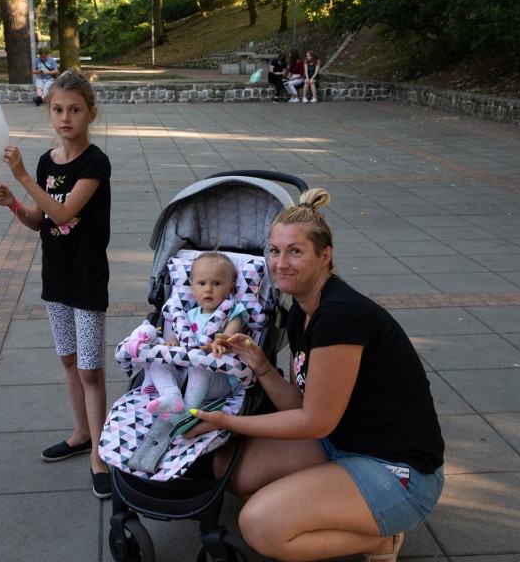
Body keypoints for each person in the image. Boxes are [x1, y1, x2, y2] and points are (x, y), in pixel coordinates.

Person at [190, 188, 445, 562]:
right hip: (342, 441)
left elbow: (314, 421)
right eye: (274, 251)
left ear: (325, 256)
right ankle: (325, 501)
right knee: (231, 469)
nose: (280, 263)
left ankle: (380, 541)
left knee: (259, 526)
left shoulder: (339, 315)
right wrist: (260, 364)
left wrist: (227, 421)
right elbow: (301, 403)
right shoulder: (302, 312)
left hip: (398, 472)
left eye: (296, 252)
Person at [0, 72, 113, 499]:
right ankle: (81, 434)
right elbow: (40, 222)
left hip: (86, 278)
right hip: (56, 278)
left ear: (91, 113)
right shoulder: (46, 163)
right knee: (68, 362)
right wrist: (14, 205)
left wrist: (23, 178)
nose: (65, 117)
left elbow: (63, 214)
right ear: (49, 112)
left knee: (91, 370)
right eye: (58, 109)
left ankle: (101, 453)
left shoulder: (95, 163)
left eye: (75, 109)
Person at [145, 251, 248, 423]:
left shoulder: (233, 312)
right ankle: (172, 395)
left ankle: (185, 413)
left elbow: (232, 333)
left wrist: (222, 341)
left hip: (217, 376)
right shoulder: (189, 315)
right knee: (156, 361)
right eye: (202, 283)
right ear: (192, 287)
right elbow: (179, 337)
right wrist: (173, 342)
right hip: (185, 373)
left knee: (199, 367)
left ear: (231, 287)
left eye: (216, 283)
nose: (208, 289)